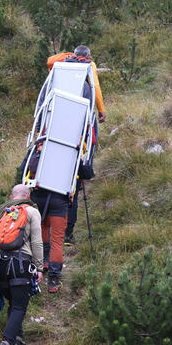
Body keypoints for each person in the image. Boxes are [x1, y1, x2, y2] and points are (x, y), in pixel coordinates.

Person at [47, 45, 105, 249]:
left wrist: (70, 56)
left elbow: (50, 59)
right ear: (88, 56)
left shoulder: (61, 67)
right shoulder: (89, 67)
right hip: (79, 130)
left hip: (58, 126)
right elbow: (96, 88)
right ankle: (67, 235)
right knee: (73, 185)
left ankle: (47, 235)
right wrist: (102, 109)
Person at [0, 184, 43, 345]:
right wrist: (39, 267)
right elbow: (37, 243)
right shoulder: (32, 212)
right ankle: (6, 341)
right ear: (28, 196)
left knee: (13, 302)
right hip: (21, 264)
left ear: (12, 196)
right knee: (19, 306)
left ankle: (18, 340)